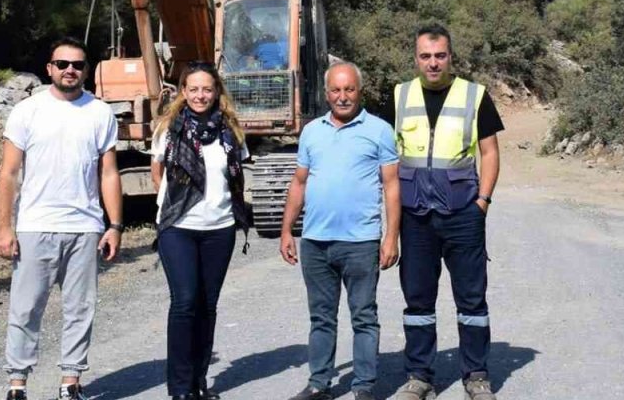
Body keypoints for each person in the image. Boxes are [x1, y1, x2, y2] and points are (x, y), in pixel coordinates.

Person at [0, 37, 123, 400]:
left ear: (86, 70)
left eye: (78, 65)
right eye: (63, 64)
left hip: (85, 227)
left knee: (80, 309)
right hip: (36, 226)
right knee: (26, 308)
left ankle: (71, 383)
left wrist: (114, 225)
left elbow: (109, 173)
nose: (70, 70)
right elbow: (8, 173)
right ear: (49, 68)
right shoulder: (27, 111)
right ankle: (17, 384)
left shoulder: (100, 113)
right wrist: (5, 227)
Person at [391, 25, 503, 400]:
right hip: (416, 216)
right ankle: (419, 376)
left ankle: (476, 374)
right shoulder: (400, 95)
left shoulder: (475, 95)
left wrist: (482, 202)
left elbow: (490, 152)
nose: (433, 63)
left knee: (471, 298)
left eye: (440, 55)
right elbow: (391, 156)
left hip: (462, 214)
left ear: (450, 57)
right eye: (426, 56)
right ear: (416, 58)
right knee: (418, 299)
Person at [279, 62, 402, 400]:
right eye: (336, 90)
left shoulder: (379, 130)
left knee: (364, 317)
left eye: (349, 90)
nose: (343, 96)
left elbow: (391, 185)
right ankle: (319, 383)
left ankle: (363, 386)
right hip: (316, 242)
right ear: (326, 92)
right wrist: (287, 230)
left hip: (361, 242)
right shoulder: (311, 131)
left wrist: (391, 236)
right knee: (321, 317)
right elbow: (299, 182)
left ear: (359, 91)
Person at [151, 61, 251, 400]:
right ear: (183, 92)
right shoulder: (169, 128)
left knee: (208, 305)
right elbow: (158, 174)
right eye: (193, 89)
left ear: (216, 92)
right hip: (178, 228)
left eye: (207, 89)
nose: (200, 95)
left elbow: (235, 177)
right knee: (185, 302)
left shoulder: (231, 130)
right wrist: (174, 205)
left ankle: (198, 379)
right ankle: (180, 389)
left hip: (219, 228)